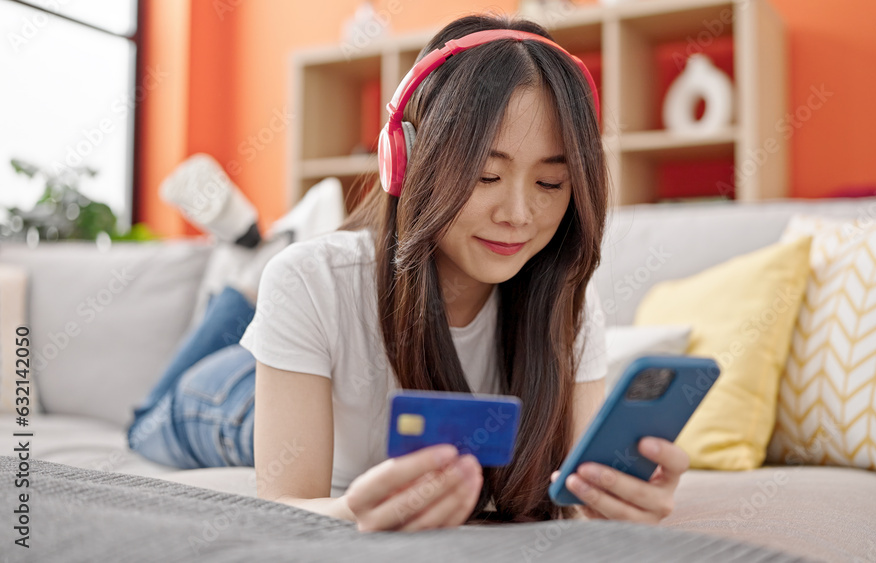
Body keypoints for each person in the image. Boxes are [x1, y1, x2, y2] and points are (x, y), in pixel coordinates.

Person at [127, 13, 690, 531]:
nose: (518, 214)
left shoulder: (568, 302)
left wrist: (615, 504)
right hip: (233, 401)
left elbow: (570, 497)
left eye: (550, 183)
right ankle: (243, 279)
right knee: (148, 422)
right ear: (405, 160)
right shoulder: (307, 280)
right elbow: (285, 510)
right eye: (485, 176)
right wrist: (350, 513)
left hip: (310, 337)